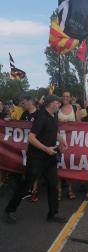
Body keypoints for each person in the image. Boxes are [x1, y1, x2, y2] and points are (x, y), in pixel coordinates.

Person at [4, 95, 67, 224]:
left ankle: (53, 214)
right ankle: (9, 210)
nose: (59, 105)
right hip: (36, 159)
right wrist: (46, 149)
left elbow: (54, 131)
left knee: (53, 185)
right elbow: (31, 138)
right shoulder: (41, 117)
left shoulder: (53, 116)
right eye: (57, 102)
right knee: (26, 185)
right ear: (50, 104)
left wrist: (63, 141)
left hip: (49, 158)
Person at [58, 91, 80, 200]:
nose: (65, 98)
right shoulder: (57, 108)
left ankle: (70, 189)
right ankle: (59, 190)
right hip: (59, 141)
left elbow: (80, 125)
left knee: (69, 164)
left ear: (70, 97)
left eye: (67, 96)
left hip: (72, 141)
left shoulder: (75, 108)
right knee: (58, 164)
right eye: (64, 96)